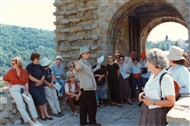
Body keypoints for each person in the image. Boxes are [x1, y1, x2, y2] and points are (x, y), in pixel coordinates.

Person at [138, 48, 175, 126]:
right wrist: (143, 94)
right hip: (146, 112)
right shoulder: (152, 75)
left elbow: (171, 102)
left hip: (157, 115)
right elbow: (155, 92)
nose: (146, 64)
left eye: (147, 61)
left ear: (153, 62)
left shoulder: (165, 78)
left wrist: (152, 102)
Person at [3, 57, 43, 126]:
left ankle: (35, 120)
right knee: (21, 105)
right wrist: (9, 83)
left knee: (30, 101)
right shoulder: (10, 71)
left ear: (18, 63)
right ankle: (31, 122)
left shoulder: (24, 71)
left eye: (13, 64)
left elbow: (26, 82)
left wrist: (27, 91)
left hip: (23, 88)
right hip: (14, 88)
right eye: (11, 63)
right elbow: (5, 79)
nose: (12, 65)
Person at [73, 46, 101, 126]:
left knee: (84, 106)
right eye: (86, 53)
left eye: (88, 52)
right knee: (92, 105)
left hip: (87, 87)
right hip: (87, 87)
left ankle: (83, 122)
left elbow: (89, 72)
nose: (88, 54)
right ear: (82, 54)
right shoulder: (80, 63)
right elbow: (75, 72)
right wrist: (77, 68)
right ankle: (92, 122)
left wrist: (96, 68)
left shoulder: (86, 62)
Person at [26, 52, 53, 121]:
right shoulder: (29, 66)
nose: (39, 60)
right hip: (33, 86)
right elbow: (29, 76)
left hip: (40, 86)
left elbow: (43, 75)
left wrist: (40, 81)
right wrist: (38, 81)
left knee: (43, 100)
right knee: (40, 100)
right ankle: (42, 115)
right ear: (34, 58)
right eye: (38, 58)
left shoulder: (39, 66)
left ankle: (46, 114)